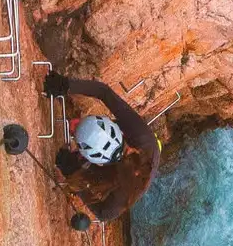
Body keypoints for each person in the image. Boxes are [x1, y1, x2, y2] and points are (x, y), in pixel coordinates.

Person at [43, 72, 160, 223]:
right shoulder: (141, 135)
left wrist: (71, 171)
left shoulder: (122, 193)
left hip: (122, 177)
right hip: (144, 146)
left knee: (83, 175)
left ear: (100, 164)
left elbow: (103, 213)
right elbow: (104, 92)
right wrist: (66, 85)